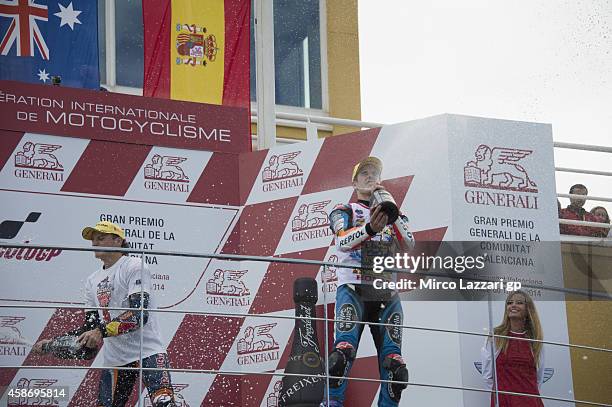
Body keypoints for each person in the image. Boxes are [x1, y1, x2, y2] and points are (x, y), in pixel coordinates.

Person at [33, 221, 175, 407]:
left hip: (148, 352)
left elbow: (139, 315)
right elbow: (89, 329)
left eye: (100, 238)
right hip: (115, 358)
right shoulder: (92, 281)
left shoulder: (134, 265)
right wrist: (53, 344)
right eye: (93, 240)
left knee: (164, 403)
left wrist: (100, 332)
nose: (94, 243)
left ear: (118, 241)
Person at [322, 157, 416, 407]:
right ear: (354, 182)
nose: (370, 176)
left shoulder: (396, 213)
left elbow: (409, 244)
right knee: (341, 356)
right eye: (364, 173)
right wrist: (370, 230)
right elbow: (341, 242)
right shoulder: (345, 210)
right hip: (353, 289)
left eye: (374, 172)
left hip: (386, 294)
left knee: (396, 367)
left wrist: (390, 208)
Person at [481, 290, 545, 407]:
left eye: (519, 302)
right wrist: (501, 394)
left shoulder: (535, 340)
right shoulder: (496, 336)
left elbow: (538, 378)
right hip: (503, 401)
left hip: (530, 402)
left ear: (528, 310)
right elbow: (487, 375)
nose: (513, 305)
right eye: (510, 303)